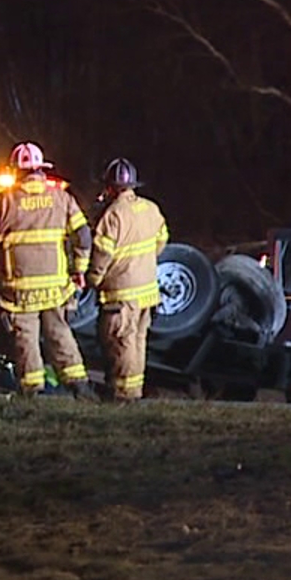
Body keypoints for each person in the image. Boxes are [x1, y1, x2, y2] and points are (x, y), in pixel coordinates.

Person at [0, 141, 95, 398]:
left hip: (18, 290)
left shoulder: (3, 202)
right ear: (41, 169)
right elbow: (83, 236)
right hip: (55, 287)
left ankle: (31, 391)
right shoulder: (62, 198)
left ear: (15, 170)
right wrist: (79, 270)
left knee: (25, 338)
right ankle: (79, 386)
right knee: (60, 333)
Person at [85, 157, 169, 403]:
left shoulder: (112, 215)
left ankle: (122, 395)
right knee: (137, 342)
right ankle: (134, 390)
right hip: (147, 291)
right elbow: (161, 240)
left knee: (120, 343)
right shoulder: (151, 208)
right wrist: (143, 262)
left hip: (121, 294)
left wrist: (93, 278)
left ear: (110, 187)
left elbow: (102, 253)